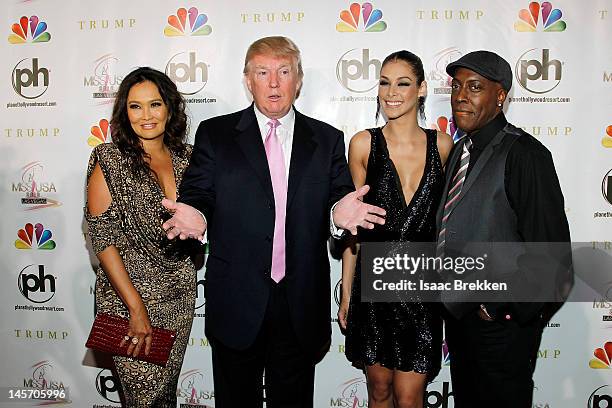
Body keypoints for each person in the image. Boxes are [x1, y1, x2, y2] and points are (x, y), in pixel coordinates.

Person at [160, 36, 386, 407]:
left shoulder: (327, 138)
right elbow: (199, 194)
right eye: (262, 72)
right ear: (248, 80)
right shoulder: (215, 134)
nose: (274, 82)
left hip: (299, 303)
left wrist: (337, 215)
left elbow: (338, 200)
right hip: (236, 299)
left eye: (284, 72)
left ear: (299, 80)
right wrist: (196, 214)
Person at [436, 50, 572, 408]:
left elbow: (552, 256)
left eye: (475, 87)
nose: (461, 96)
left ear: (500, 96)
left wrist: (503, 310)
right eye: (457, 86)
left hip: (500, 329)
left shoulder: (525, 154)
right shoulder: (461, 151)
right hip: (461, 325)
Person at [338, 51, 453, 408]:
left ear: (421, 89)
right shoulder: (362, 144)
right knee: (380, 391)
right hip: (373, 287)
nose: (392, 92)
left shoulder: (444, 146)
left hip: (421, 289)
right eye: (385, 82)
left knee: (409, 396)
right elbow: (351, 229)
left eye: (403, 83)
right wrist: (345, 296)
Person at [85, 67, 196, 407]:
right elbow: (102, 239)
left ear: (170, 108)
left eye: (155, 104)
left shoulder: (188, 158)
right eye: (135, 106)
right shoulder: (110, 159)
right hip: (128, 301)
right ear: (124, 112)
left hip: (179, 295)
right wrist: (136, 308)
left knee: (164, 395)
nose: (146, 115)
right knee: (143, 399)